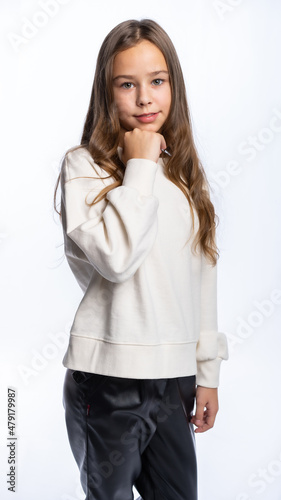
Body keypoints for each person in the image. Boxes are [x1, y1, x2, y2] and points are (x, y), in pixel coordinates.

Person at [54, 18, 229, 500]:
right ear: (107, 93)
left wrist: (206, 374)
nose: (145, 98)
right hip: (109, 381)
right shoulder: (84, 166)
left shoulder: (185, 175)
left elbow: (202, 278)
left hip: (174, 382)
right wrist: (140, 164)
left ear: (173, 85)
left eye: (157, 81)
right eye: (127, 84)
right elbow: (116, 259)